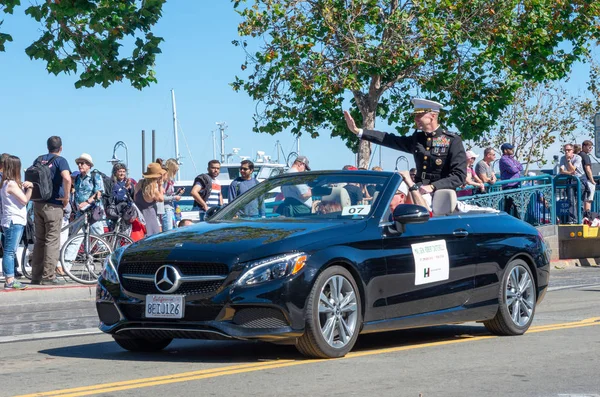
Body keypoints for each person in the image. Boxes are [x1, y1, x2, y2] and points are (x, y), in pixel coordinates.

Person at [344, 98, 467, 194]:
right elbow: (389, 139)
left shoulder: (452, 140)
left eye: (419, 115)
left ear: (432, 116)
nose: (415, 119)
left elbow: (459, 176)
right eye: (415, 115)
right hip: (418, 192)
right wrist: (358, 131)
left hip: (442, 194)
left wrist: (433, 187)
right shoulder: (418, 139)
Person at [30, 136, 71, 286]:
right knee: (52, 241)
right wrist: (66, 197)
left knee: (39, 240)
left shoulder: (39, 159)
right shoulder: (61, 161)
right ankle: (48, 276)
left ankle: (36, 275)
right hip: (54, 205)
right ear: (60, 148)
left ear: (47, 147)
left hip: (38, 204)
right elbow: (67, 178)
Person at [1, 155, 33, 289]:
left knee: (9, 250)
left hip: (9, 219)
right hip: (15, 219)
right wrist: (30, 187)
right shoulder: (11, 184)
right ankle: (10, 280)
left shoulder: (4, 183)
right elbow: (24, 200)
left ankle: (10, 278)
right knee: (10, 251)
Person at [134, 163, 165, 237]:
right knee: (153, 237)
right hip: (150, 215)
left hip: (138, 214)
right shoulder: (153, 190)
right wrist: (160, 185)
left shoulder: (140, 183)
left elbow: (134, 197)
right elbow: (161, 199)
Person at [559, 143, 585, 223]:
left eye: (569, 150)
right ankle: (572, 220)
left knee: (579, 201)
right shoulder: (563, 158)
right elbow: (561, 171)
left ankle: (580, 219)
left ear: (573, 150)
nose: (567, 152)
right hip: (570, 179)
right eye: (565, 150)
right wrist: (570, 173)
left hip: (580, 179)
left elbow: (573, 168)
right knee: (570, 200)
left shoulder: (578, 157)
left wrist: (569, 161)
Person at [499, 143, 523, 218]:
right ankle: (506, 224)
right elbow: (513, 169)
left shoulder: (511, 159)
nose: (512, 150)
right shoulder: (504, 159)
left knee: (517, 206)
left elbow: (521, 167)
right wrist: (516, 167)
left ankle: (517, 222)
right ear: (505, 151)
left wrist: (516, 166)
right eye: (510, 149)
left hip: (515, 185)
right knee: (508, 206)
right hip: (509, 186)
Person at [162, 159, 182, 231]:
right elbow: (162, 196)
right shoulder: (165, 180)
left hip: (170, 208)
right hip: (166, 208)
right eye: (175, 170)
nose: (176, 172)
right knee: (168, 232)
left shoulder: (169, 180)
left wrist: (176, 193)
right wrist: (174, 197)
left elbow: (168, 194)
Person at [580, 140, 596, 218]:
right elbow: (587, 168)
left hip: (581, 180)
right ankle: (587, 216)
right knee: (588, 199)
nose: (590, 149)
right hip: (587, 180)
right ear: (584, 146)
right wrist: (592, 180)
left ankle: (584, 215)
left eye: (591, 148)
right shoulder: (585, 156)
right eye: (589, 147)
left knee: (583, 199)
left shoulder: (578, 155)